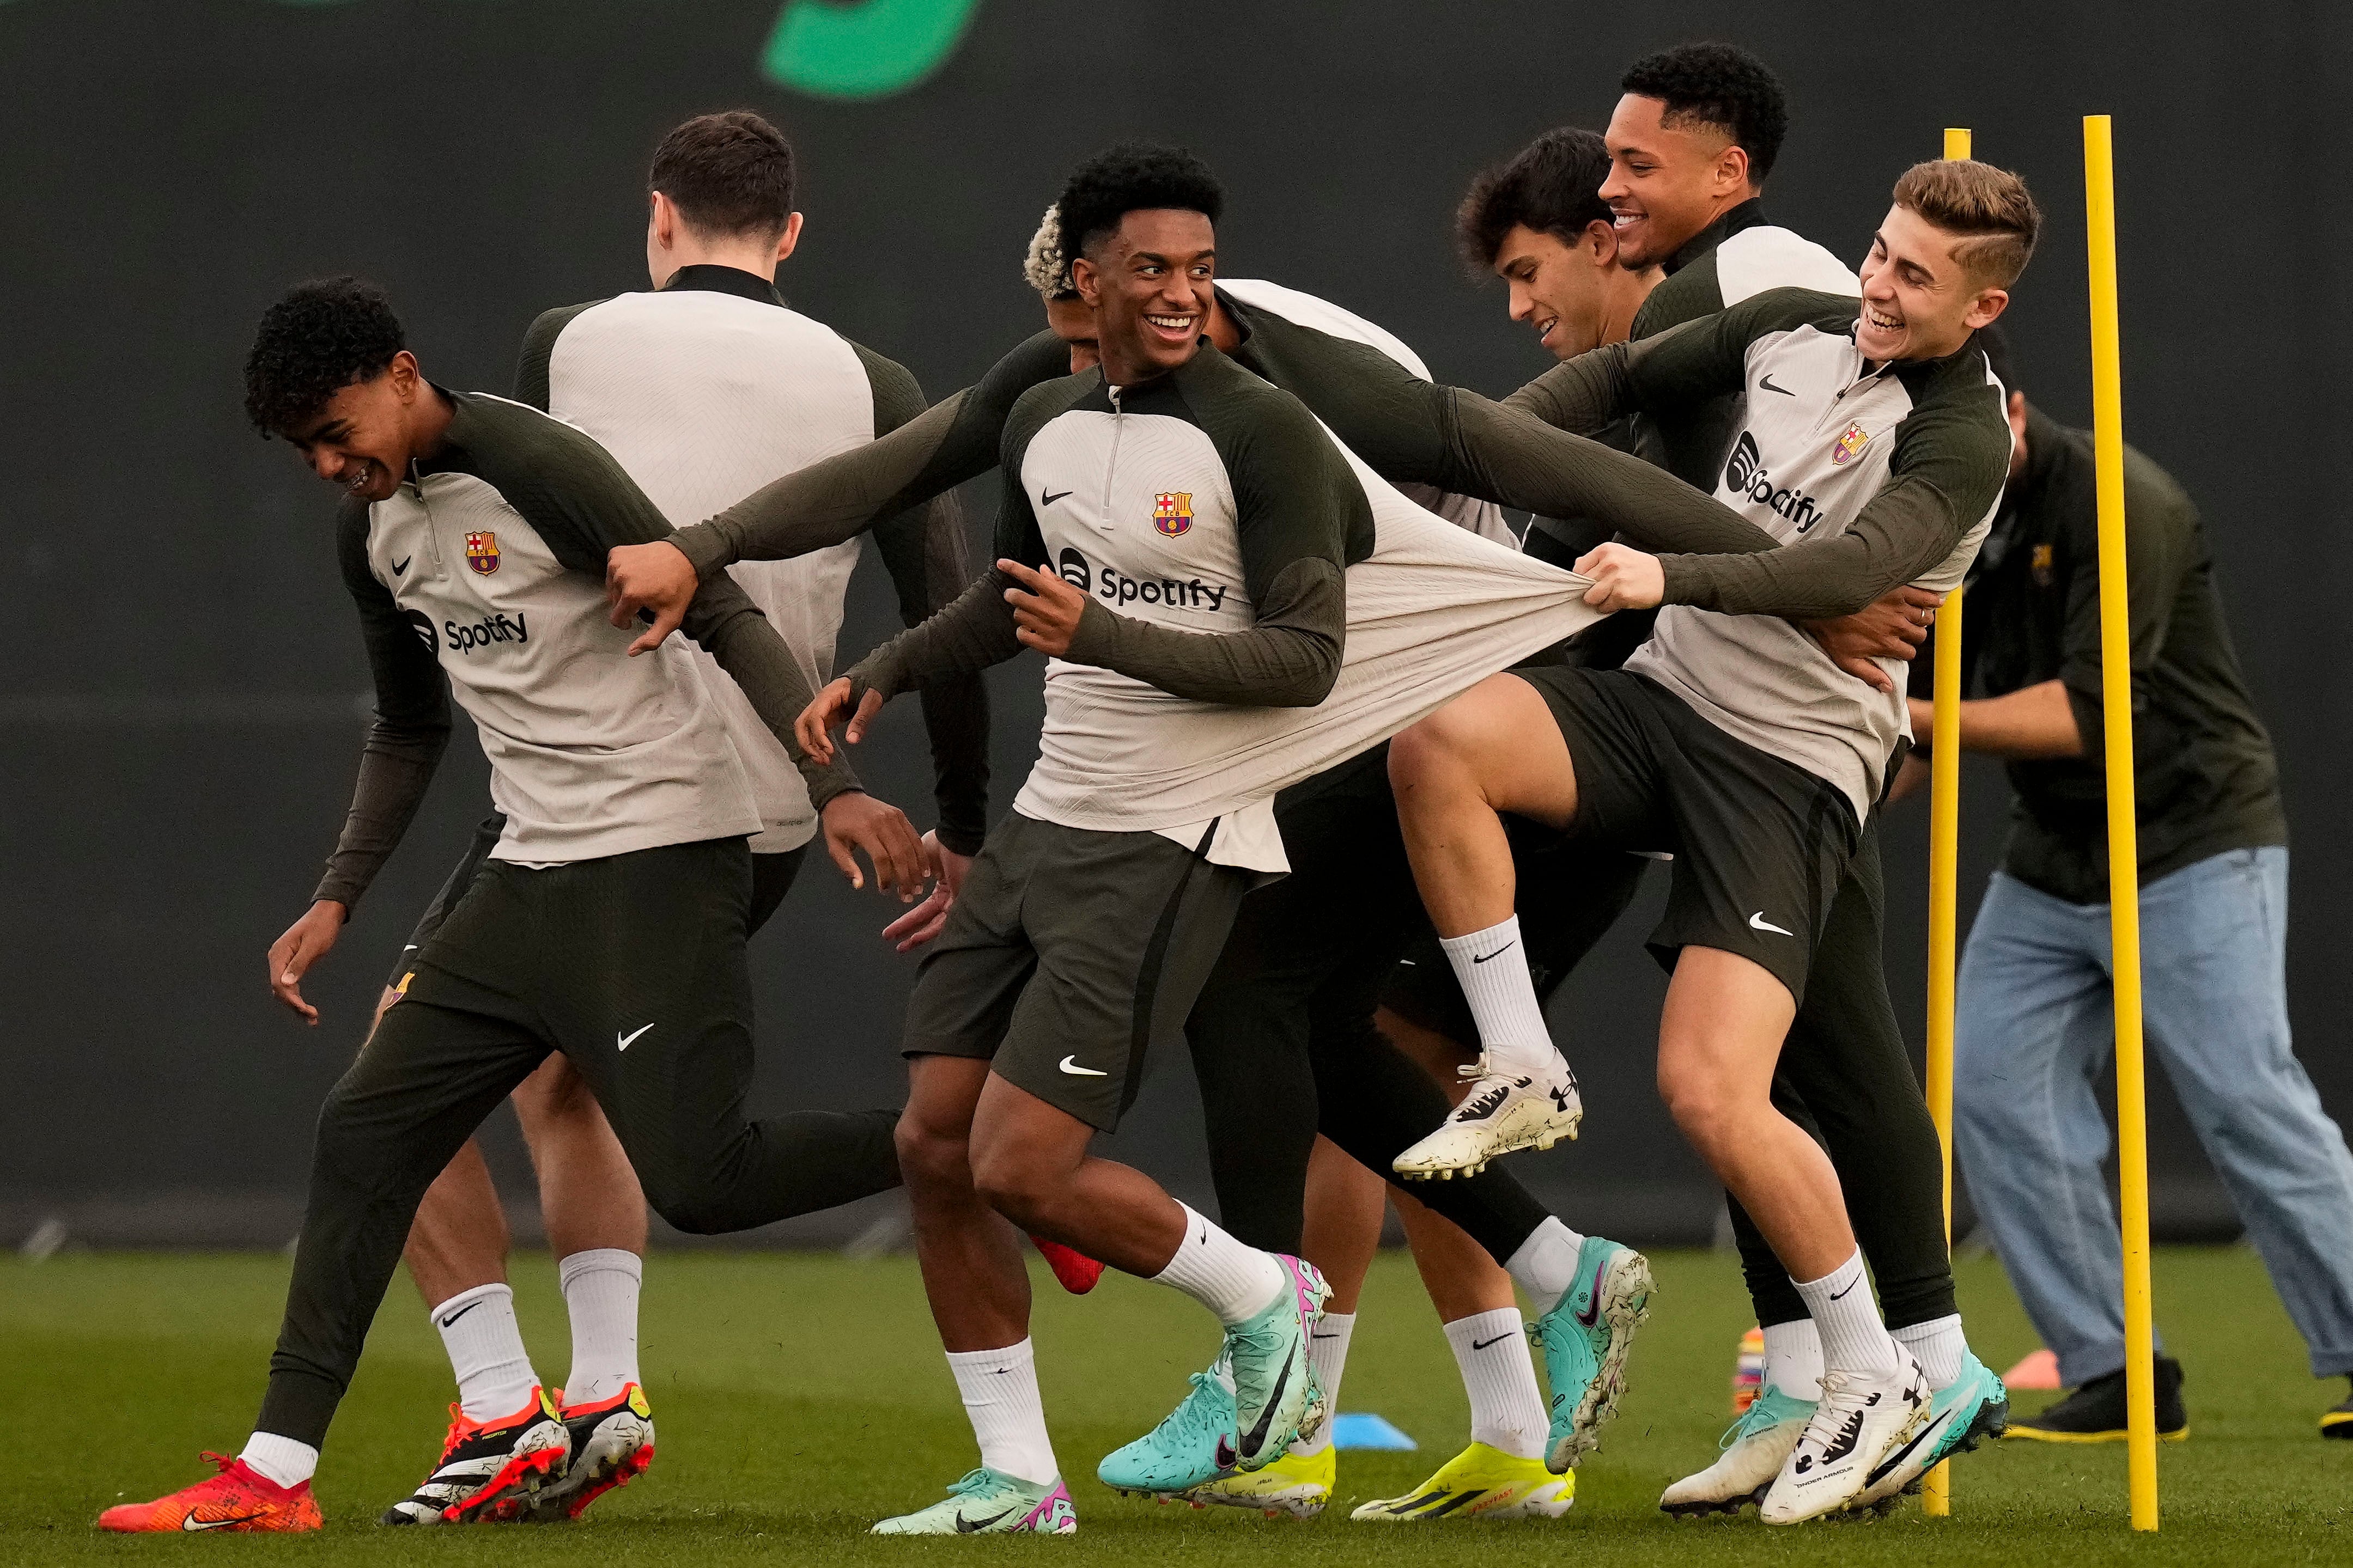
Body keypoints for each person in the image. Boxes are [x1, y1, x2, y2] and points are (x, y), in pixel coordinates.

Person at [797, 144, 1644, 1535]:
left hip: (1387, 720)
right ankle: (1519, 1312)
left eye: (1194, 274)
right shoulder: (1067, 414)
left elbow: (1318, 640)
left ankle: (1295, 1369)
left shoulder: (1273, 409)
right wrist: (880, 666)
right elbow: (1016, 588)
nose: (1151, 314)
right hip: (1102, 807)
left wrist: (1757, 572)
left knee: (1248, 1019)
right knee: (1049, 1106)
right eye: (1136, 286)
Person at [99, 278, 935, 1534]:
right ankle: (280, 1473)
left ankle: (980, 1152)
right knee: (369, 1125)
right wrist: (336, 898)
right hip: (532, 865)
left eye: (340, 432)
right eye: (308, 454)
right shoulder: (369, 531)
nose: (333, 465)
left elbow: (719, 605)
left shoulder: (536, 461)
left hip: (665, 846)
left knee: (704, 1181)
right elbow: (408, 724)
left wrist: (841, 790)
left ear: (400, 371)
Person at [332, 109, 996, 1528]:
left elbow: (491, 531)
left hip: (608, 802)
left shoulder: (564, 342)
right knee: (562, 1074)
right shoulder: (872, 378)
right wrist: (964, 828)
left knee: (407, 1071)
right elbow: (947, 614)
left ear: (658, 219)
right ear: (793, 236)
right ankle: (607, 1393)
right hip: (771, 814)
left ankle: (501, 1402)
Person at [1384, 48, 1996, 1520]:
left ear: (1729, 179)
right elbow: (1608, 420)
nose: (1609, 192)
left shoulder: (1804, 297)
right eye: (1883, 258)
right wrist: (1439, 464)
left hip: (1794, 757)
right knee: (1747, 1068)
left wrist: (1720, 578)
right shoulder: (1792, 308)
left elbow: (1838, 563)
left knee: (1777, 1073)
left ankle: (1916, 1357)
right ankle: (1803, 1367)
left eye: (1633, 171)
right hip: (1666, 708)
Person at [1912, 330, 2353, 1443]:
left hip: (2193, 838)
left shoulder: (2120, 502)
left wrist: (1908, 721)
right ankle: (2118, 1371)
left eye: (1959, 437)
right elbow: (1911, 719)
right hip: (2056, 857)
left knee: (2246, 1100)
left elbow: (2083, 715)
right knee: (1995, 1088)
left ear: (2009, 416)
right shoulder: (1938, 519)